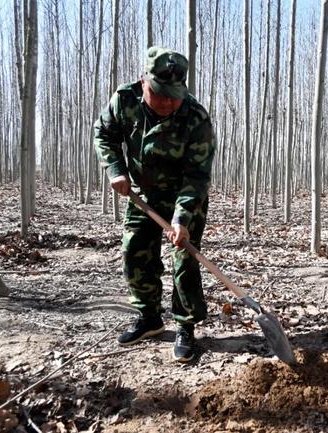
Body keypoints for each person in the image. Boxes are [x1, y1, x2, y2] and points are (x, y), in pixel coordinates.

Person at [94, 46, 216, 363]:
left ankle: (186, 327)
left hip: (184, 197)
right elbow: (103, 133)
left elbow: (197, 175)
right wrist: (116, 170)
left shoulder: (196, 118)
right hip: (143, 194)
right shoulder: (124, 100)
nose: (167, 103)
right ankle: (149, 317)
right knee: (135, 252)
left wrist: (181, 218)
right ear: (143, 82)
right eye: (160, 94)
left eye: (174, 96)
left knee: (184, 260)